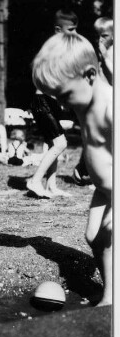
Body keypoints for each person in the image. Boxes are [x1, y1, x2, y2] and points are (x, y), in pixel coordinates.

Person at [32, 32, 112, 306]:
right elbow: (95, 141)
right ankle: (111, 293)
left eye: (64, 96)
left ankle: (112, 300)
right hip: (105, 189)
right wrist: (84, 164)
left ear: (90, 75)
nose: (62, 105)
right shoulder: (86, 100)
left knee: (112, 238)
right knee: (94, 237)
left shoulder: (111, 106)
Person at [26, 9, 78, 198]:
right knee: (60, 143)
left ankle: (51, 185)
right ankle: (34, 181)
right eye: (70, 29)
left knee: (52, 144)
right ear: (58, 30)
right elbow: (36, 68)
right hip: (43, 101)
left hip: (52, 102)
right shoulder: (52, 49)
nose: (74, 34)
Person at [73, 17, 113, 186]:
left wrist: (105, 56)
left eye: (104, 35)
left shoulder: (111, 53)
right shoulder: (98, 52)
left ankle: (86, 170)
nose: (100, 40)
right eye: (98, 36)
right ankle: (84, 170)